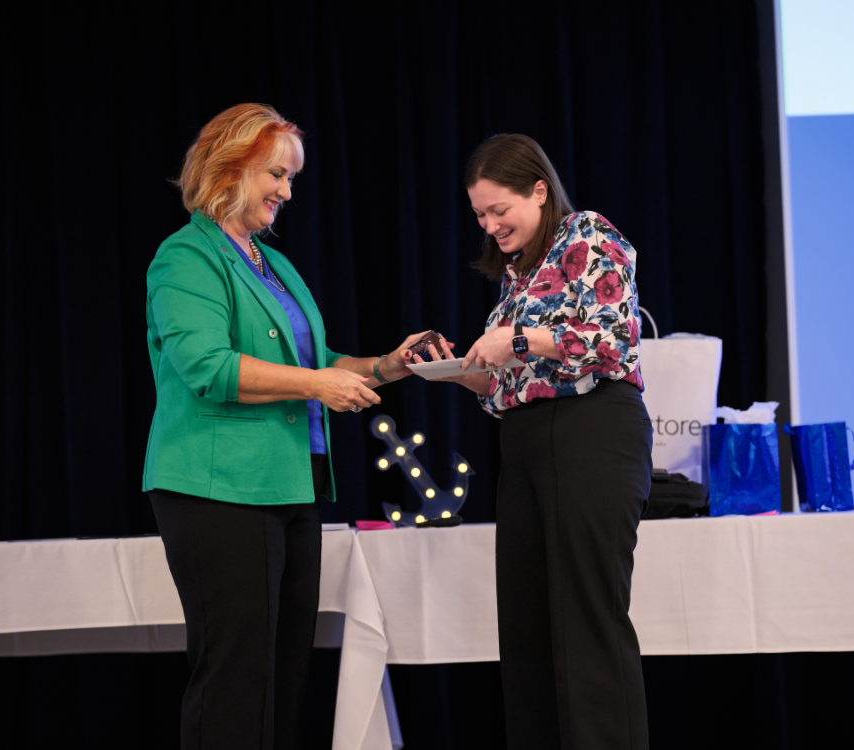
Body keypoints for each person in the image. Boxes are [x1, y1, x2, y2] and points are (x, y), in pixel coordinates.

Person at [144, 103, 423, 750]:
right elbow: (208, 367)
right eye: (276, 173)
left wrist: (389, 365)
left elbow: (315, 364)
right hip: (218, 489)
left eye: (291, 177)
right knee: (236, 678)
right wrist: (319, 383)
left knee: (282, 677)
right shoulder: (184, 257)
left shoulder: (275, 265)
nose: (286, 192)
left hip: (289, 485)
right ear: (230, 166)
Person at [419, 134, 652, 749]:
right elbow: (509, 391)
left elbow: (613, 344)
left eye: (500, 210)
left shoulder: (587, 235)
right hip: (526, 445)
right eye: (479, 215)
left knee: (586, 626)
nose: (491, 225)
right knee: (527, 632)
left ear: (539, 191)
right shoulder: (518, 274)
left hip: (593, 433)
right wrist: (468, 375)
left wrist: (519, 340)